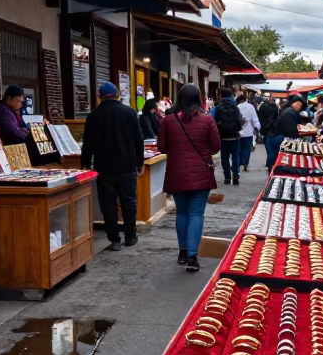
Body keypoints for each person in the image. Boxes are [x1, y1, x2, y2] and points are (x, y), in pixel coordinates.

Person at [157, 83, 221, 272]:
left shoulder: (169, 120)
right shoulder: (207, 120)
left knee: (182, 212)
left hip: (177, 173)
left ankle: (183, 251)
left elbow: (162, 147)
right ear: (198, 98)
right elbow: (216, 146)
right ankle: (192, 256)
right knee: (196, 213)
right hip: (201, 174)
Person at [81, 81, 144, 251]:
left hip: (104, 167)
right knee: (129, 201)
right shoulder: (130, 113)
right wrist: (140, 162)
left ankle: (114, 240)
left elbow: (88, 144)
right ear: (117, 94)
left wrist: (86, 163)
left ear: (100, 97)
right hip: (127, 166)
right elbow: (139, 140)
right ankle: (130, 236)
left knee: (108, 203)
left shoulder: (93, 116)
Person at [264, 94, 307, 169]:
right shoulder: (289, 114)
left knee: (274, 159)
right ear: (298, 104)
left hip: (276, 137)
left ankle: (272, 169)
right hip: (277, 139)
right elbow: (291, 132)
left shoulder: (290, 111)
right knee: (276, 161)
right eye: (301, 107)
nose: (301, 110)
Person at [213, 87, 243, 186]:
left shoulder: (218, 107)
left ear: (221, 95)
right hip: (235, 136)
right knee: (236, 156)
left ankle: (227, 177)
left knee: (224, 157)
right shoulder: (235, 106)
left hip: (223, 137)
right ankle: (236, 177)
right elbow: (239, 120)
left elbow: (214, 120)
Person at [237, 92, 261, 172]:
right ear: (245, 99)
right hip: (248, 133)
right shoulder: (251, 107)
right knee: (247, 149)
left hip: (238, 133)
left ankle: (239, 162)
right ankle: (245, 163)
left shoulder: (237, 107)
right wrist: (256, 128)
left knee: (239, 149)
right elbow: (255, 120)